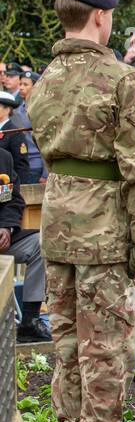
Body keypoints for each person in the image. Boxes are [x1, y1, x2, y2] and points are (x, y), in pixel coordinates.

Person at [26, 0, 135, 422]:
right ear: (101, 17)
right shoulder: (120, 79)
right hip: (104, 226)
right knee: (105, 339)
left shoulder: (45, 79)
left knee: (64, 336)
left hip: (57, 221)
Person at [0, 141, 50, 341]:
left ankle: (30, 320)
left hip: (3, 237)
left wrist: (6, 227)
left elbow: (13, 200)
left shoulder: (3, 158)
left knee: (41, 243)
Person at [0, 90, 30, 185]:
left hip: (8, 182)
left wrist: (20, 187)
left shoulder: (15, 132)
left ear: (7, 109)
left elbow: (21, 165)